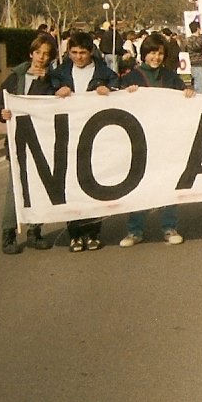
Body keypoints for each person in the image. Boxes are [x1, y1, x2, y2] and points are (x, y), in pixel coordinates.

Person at [118, 33, 197, 247]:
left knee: (168, 181)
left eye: (160, 53)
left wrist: (188, 92)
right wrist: (127, 93)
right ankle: (135, 229)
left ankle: (169, 226)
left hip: (166, 138)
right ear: (144, 54)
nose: (156, 57)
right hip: (140, 139)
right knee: (139, 183)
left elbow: (184, 93)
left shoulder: (170, 77)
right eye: (152, 52)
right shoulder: (131, 78)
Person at [49, 30, 120, 252]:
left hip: (95, 138)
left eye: (83, 53)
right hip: (69, 136)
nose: (78, 57)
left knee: (93, 184)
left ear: (91, 52)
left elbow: (120, 93)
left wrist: (108, 90)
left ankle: (92, 233)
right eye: (74, 53)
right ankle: (75, 234)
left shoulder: (105, 73)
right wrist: (55, 91)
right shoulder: (59, 74)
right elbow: (43, 97)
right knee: (71, 186)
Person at [0, 35, 58, 255]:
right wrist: (2, 112)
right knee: (15, 189)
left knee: (38, 188)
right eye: (38, 53)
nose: (42, 58)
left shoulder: (52, 79)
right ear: (31, 54)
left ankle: (34, 231)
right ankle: (8, 232)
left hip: (41, 143)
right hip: (18, 142)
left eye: (47, 54)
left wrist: (46, 81)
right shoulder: (16, 77)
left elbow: (53, 103)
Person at [185, 19, 202, 95]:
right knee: (201, 89)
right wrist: (201, 36)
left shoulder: (199, 39)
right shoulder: (191, 40)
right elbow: (197, 46)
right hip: (197, 66)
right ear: (198, 29)